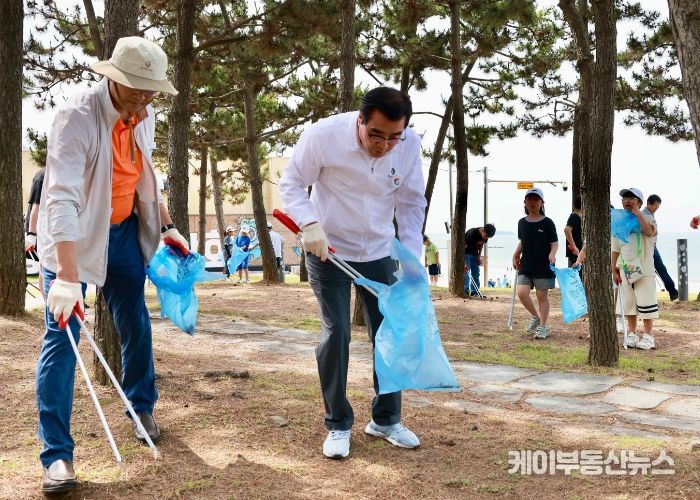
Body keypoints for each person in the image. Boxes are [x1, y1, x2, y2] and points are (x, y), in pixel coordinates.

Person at [35, 37, 186, 494]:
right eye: (136, 87)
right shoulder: (76, 117)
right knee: (63, 340)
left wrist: (166, 225)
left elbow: (143, 176)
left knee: (136, 324)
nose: (144, 97)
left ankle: (141, 408)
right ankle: (57, 456)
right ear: (113, 78)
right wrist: (66, 277)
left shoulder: (145, 113)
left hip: (122, 235)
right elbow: (60, 197)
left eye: (151, 89)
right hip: (75, 239)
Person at [279, 86, 426, 459]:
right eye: (375, 134)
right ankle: (338, 422)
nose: (384, 145)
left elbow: (411, 202)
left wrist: (411, 255)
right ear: (360, 120)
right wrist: (309, 223)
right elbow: (291, 183)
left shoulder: (408, 145)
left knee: (389, 332)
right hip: (327, 249)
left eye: (393, 137)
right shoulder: (323, 136)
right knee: (337, 333)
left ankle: (386, 419)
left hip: (378, 251)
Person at [612, 188, 658, 350]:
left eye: (632, 198)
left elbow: (649, 232)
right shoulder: (619, 222)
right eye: (625, 198)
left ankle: (648, 336)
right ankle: (632, 333)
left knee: (646, 302)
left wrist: (638, 214)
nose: (627, 201)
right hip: (626, 267)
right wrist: (614, 269)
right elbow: (615, 248)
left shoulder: (648, 218)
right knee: (629, 302)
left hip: (645, 268)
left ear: (640, 202)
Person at [512, 188, 558, 340]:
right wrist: (516, 254)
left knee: (541, 296)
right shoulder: (521, 222)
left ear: (542, 203)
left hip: (543, 265)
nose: (532, 202)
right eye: (529, 199)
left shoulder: (547, 222)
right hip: (526, 264)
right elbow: (523, 241)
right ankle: (535, 316)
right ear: (525, 202)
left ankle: (543, 327)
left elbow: (554, 243)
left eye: (536, 199)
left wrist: (552, 254)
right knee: (521, 293)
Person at [645, 194, 678, 301]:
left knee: (661, 269)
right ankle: (672, 292)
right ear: (649, 203)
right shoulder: (643, 215)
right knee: (658, 270)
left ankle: (673, 292)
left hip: (653, 247)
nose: (656, 208)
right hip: (647, 248)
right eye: (655, 206)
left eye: (658, 207)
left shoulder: (650, 214)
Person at [464, 224, 496, 296]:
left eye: (488, 237)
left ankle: (474, 292)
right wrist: (464, 261)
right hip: (466, 253)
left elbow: (481, 245)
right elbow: (463, 248)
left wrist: (479, 256)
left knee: (476, 273)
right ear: (483, 230)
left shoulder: (486, 235)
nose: (486, 238)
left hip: (475, 254)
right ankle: (466, 291)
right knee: (466, 273)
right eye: (486, 236)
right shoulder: (472, 234)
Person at [564, 196, 583, 268]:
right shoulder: (574, 216)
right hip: (575, 252)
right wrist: (574, 246)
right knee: (578, 272)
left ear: (573, 205)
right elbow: (567, 230)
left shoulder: (578, 216)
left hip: (579, 251)